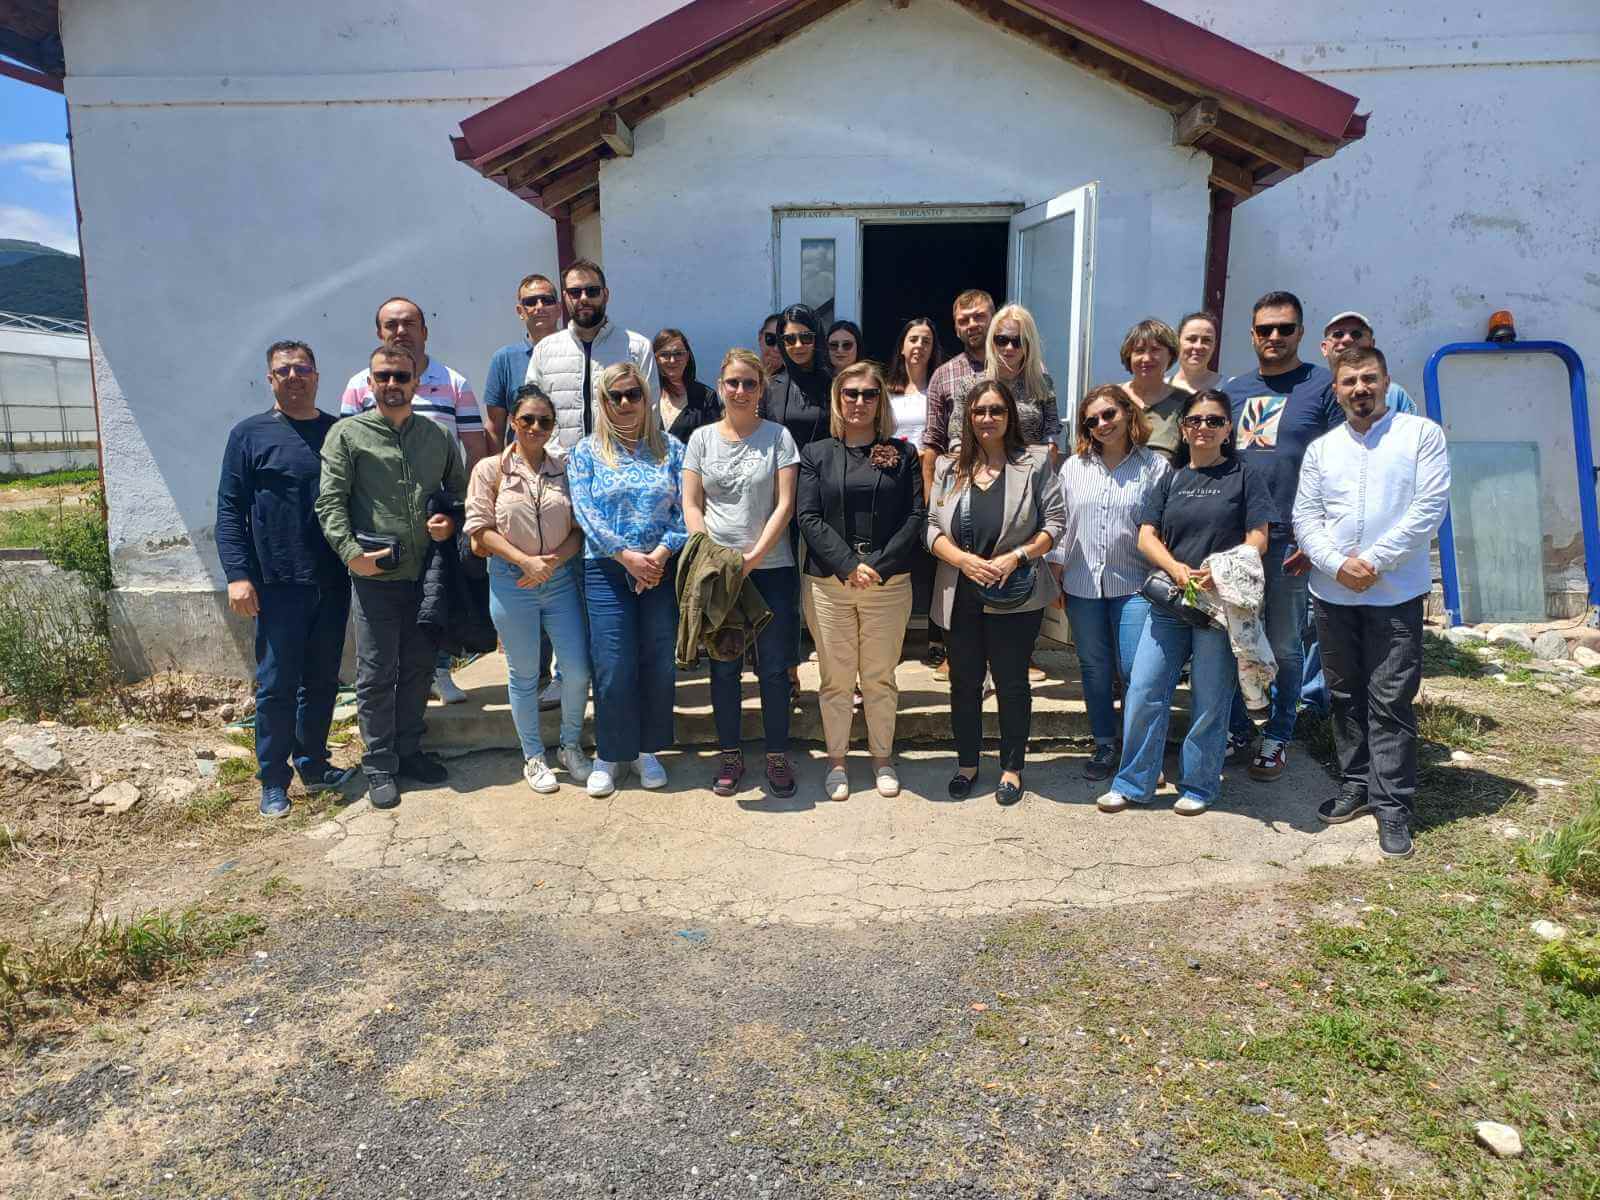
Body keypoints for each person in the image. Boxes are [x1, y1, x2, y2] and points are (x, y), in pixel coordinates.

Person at [1294, 346, 1450, 859]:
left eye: (1368, 379)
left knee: (1390, 698)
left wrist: (1374, 562)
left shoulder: (1420, 435)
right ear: (1336, 390)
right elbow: (1306, 519)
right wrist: (1337, 564)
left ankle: (1393, 804)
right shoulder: (1323, 449)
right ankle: (1356, 783)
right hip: (1332, 592)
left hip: (1395, 593)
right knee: (1344, 694)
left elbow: (1429, 508)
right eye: (1349, 381)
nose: (1359, 388)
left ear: (1385, 381)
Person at [1096, 390, 1272, 816]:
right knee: (1144, 690)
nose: (1203, 428)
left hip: (1218, 607)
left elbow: (1259, 537)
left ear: (1228, 429)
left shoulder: (1244, 476)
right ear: (1183, 428)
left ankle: (1199, 784)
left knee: (1209, 700)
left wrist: (1223, 568)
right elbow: (1146, 536)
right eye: (1195, 420)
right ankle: (1133, 782)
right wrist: (1175, 568)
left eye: (1214, 421)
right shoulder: (1170, 477)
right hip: (1171, 602)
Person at [316, 343, 466, 811]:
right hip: (375, 577)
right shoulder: (347, 436)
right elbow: (329, 502)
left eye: (401, 376)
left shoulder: (436, 436)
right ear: (370, 383)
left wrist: (449, 522)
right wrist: (352, 555)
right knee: (377, 671)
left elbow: (457, 494)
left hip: (426, 575)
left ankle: (409, 750)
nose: (392, 384)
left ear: (416, 382)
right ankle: (379, 763)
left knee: (420, 666)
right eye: (383, 376)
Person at [216, 340, 355, 818]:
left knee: (322, 681)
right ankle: (273, 780)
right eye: (283, 370)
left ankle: (313, 764)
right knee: (277, 685)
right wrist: (238, 575)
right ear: (270, 379)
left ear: (316, 375)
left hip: (332, 579)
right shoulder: (249, 435)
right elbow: (229, 511)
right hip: (276, 583)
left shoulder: (338, 432)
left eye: (302, 368)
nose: (294, 376)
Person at [340, 296, 485, 705]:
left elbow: (474, 450)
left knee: (436, 595)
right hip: (381, 520)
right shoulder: (359, 384)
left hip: (435, 515)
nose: (400, 331)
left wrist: (461, 509)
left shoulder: (454, 383)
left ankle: (440, 672)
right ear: (379, 332)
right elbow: (345, 452)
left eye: (409, 323)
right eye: (391, 324)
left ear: (425, 330)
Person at [1221, 290, 1342, 780]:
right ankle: (1237, 728)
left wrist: (1319, 540)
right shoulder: (1235, 390)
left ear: (1301, 333)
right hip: (1237, 539)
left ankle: (1277, 734)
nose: (1274, 336)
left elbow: (1341, 465)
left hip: (1292, 539)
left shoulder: (1322, 386)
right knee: (1234, 637)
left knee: (1286, 644)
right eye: (1265, 329)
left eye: (1285, 328)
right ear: (1252, 334)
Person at [926, 379, 1065, 806]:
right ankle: (967, 764)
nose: (987, 418)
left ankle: (1011, 768)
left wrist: (1017, 557)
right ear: (968, 417)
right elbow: (930, 527)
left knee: (1011, 682)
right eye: (979, 411)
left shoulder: (1034, 463)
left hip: (1015, 592)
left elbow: (1055, 523)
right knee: (964, 683)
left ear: (1010, 416)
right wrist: (962, 560)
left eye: (996, 410)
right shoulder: (949, 467)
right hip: (959, 591)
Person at [798, 361, 927, 801]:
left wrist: (878, 565)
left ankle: (881, 759)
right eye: (850, 393)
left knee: (879, 677)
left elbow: (915, 516)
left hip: (886, 585)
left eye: (869, 394)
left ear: (880, 402)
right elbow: (808, 517)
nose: (859, 402)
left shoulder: (903, 454)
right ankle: (836, 761)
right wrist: (848, 564)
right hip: (830, 584)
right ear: (838, 399)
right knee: (835, 678)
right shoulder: (816, 454)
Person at [566, 361, 687, 798]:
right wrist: (626, 556)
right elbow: (585, 512)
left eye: (632, 394)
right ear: (602, 401)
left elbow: (688, 510)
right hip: (606, 568)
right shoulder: (586, 452)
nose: (624, 403)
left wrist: (657, 556)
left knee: (657, 661)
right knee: (613, 663)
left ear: (646, 398)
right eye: (614, 396)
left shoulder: (672, 449)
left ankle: (647, 751)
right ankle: (610, 754)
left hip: (659, 569)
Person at [464, 384, 593, 795]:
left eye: (544, 421)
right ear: (514, 423)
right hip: (511, 582)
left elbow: (579, 529)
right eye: (528, 420)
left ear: (553, 427)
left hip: (558, 580)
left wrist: (550, 563)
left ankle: (570, 746)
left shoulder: (565, 469)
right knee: (523, 675)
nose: (536, 427)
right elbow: (479, 530)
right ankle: (533, 755)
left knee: (577, 671)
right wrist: (525, 562)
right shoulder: (490, 470)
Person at [683, 349, 800, 798]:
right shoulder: (701, 440)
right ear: (720, 387)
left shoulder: (778, 438)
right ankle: (730, 754)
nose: (740, 390)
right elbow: (692, 504)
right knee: (724, 667)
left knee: (773, 669)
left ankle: (776, 755)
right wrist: (712, 555)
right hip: (719, 574)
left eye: (750, 383)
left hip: (770, 569)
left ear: (761, 389)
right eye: (733, 382)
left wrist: (750, 558)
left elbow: (785, 505)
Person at [1048, 384, 1169, 780]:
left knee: (1136, 671)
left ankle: (1139, 753)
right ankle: (1104, 745)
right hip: (1082, 584)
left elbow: (1163, 527)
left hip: (1135, 584)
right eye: (1092, 421)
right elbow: (1062, 523)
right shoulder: (1074, 467)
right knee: (1095, 668)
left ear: (1128, 413)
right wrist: (1055, 570)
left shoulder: (1155, 467)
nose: (1101, 424)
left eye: (1108, 414)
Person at [762, 303, 834, 698]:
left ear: (817, 337)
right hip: (781, 496)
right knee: (785, 587)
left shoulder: (835, 383)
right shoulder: (769, 387)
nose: (797, 345)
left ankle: (840, 674)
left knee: (830, 584)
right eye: (788, 339)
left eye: (805, 336)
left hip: (827, 494)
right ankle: (788, 672)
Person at [922, 288, 995, 681]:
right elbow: (932, 440)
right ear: (955, 327)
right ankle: (956, 651)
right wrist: (931, 498)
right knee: (956, 571)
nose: (972, 325)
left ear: (993, 317)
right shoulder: (944, 374)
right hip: (958, 485)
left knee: (1006, 562)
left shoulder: (1016, 365)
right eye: (964, 320)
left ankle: (1010, 654)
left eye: (979, 316)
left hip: (1006, 482)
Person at [527, 258, 659, 450]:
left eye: (592, 291)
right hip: (559, 465)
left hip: (619, 463)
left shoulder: (637, 347)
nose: (583, 298)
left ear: (606, 295)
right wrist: (555, 457)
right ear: (565, 297)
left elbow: (651, 413)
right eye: (575, 292)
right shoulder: (545, 350)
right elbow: (532, 411)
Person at [886, 317, 945, 667]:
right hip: (895, 481)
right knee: (898, 560)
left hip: (934, 481)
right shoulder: (886, 390)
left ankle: (936, 640)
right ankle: (893, 638)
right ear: (902, 346)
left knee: (934, 561)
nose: (919, 346)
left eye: (926, 340)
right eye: (913, 339)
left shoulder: (939, 390)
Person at [482, 273, 562, 453]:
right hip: (521, 463)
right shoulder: (504, 359)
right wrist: (498, 467)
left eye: (547, 300)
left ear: (559, 308)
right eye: (531, 302)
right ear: (520, 311)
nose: (539, 307)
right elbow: (495, 427)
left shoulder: (578, 352)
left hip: (569, 462)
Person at [1320, 311, 1419, 415]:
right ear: (1324, 348)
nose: (1347, 339)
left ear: (1372, 344)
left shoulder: (1395, 396)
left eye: (1356, 334)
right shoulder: (1314, 394)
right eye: (1338, 334)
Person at [1118, 317, 1187, 463]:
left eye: (1155, 350)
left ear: (1170, 355)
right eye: (1139, 351)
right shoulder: (1110, 398)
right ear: (1129, 356)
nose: (1147, 358)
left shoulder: (1186, 404)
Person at [654, 328, 722, 443]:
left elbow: (713, 443)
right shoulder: (645, 395)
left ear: (687, 357)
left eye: (678, 354)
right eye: (665, 354)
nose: (672, 360)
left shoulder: (706, 397)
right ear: (656, 359)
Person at [1168, 311, 1222, 394]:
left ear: (1214, 345)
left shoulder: (1230, 388)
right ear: (1177, 341)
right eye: (1191, 339)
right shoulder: (1159, 388)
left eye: (1206, 340)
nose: (1198, 346)